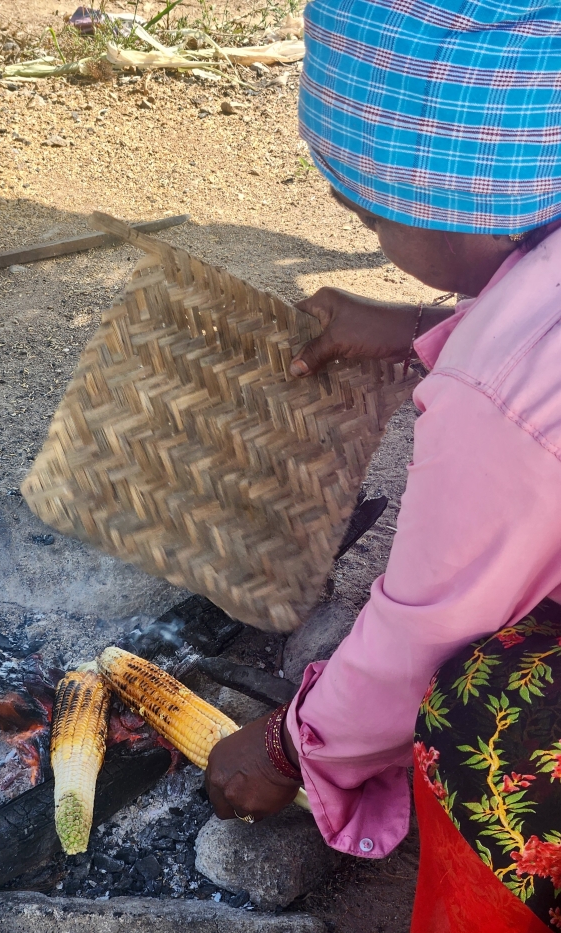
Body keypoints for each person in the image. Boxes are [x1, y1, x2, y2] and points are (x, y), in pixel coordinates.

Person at [204, 0, 561, 928]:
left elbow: (425, 630)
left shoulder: (495, 398)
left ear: (462, 198)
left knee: (480, 711)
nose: (379, 246)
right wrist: (419, 328)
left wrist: (289, 747)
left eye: (374, 220)